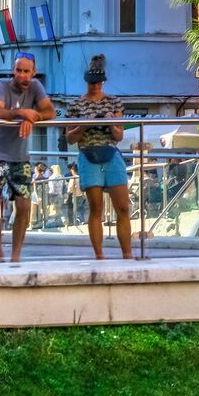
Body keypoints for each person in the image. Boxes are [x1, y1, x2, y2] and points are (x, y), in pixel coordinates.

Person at [60, 55, 134, 261]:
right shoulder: (75, 105)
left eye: (98, 82)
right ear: (87, 82)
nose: (95, 86)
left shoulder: (114, 102)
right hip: (88, 154)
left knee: (123, 207)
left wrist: (111, 122)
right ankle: (99, 255)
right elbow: (70, 137)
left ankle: (127, 253)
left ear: (103, 82)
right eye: (92, 82)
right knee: (96, 208)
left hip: (111, 154)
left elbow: (119, 136)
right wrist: (84, 124)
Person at [0, 54, 54, 265]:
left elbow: (50, 111)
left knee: (24, 205)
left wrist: (33, 117)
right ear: (13, 71)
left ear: (33, 72)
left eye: (26, 71)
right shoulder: (2, 84)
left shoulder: (36, 87)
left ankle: (16, 255)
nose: (22, 75)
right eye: (18, 70)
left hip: (20, 156)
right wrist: (21, 113)